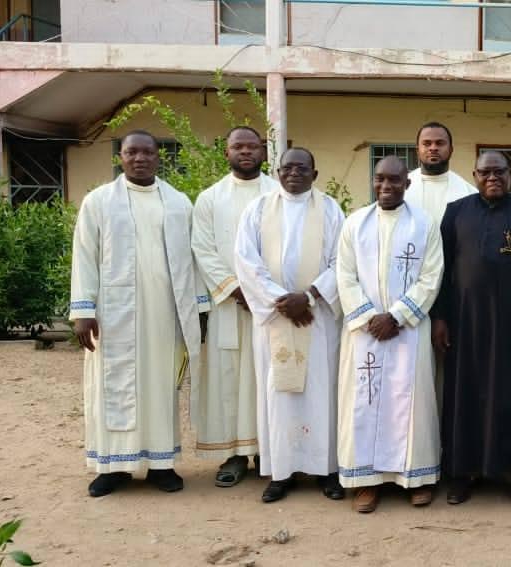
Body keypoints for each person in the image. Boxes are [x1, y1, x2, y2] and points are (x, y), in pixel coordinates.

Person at [70, 130, 207, 497]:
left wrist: (199, 309)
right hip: (113, 315)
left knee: (161, 386)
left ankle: (161, 464)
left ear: (159, 157)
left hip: (166, 312)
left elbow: (193, 261)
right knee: (112, 387)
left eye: (147, 152)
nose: (140, 158)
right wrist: (83, 309)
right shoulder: (98, 201)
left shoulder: (179, 203)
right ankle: (114, 468)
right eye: (132, 152)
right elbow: (83, 255)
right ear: (121, 157)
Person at [433, 151, 511, 509]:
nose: (492, 177)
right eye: (485, 172)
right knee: (464, 397)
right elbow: (441, 269)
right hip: (465, 323)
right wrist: (440, 318)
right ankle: (462, 474)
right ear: (474, 175)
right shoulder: (456, 212)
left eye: (499, 172)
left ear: (509, 175)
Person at [234, 147, 346, 503]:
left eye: (303, 168)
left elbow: (343, 262)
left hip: (318, 319)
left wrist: (310, 297)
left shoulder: (331, 210)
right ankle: (280, 472)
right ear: (277, 172)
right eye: (287, 168)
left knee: (321, 391)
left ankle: (326, 470)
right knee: (278, 395)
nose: (294, 173)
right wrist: (282, 301)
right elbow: (246, 262)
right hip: (276, 319)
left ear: (315, 174)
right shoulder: (257, 209)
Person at [336, 156, 445, 513]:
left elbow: (432, 275)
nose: (386, 186)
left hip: (407, 332)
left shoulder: (424, 224)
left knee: (411, 403)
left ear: (407, 184)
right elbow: (345, 276)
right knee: (364, 403)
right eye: (380, 179)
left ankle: (415, 478)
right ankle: (366, 483)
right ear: (373, 181)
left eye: (394, 180)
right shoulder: (355, 223)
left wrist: (397, 317)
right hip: (365, 332)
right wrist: (370, 318)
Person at [191, 126, 279, 487]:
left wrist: (262, 292)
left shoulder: (278, 194)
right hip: (229, 304)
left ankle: (269, 452)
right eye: (237, 146)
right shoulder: (210, 198)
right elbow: (203, 248)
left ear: (263, 152)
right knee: (229, 379)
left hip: (269, 306)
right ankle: (234, 454)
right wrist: (234, 289)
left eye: (252, 146)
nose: (245, 151)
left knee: (266, 377)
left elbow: (283, 250)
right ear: (225, 152)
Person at [406, 122, 476, 223]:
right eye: (427, 143)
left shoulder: (469, 193)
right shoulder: (400, 189)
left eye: (439, 143)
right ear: (417, 150)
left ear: (451, 150)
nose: (433, 148)